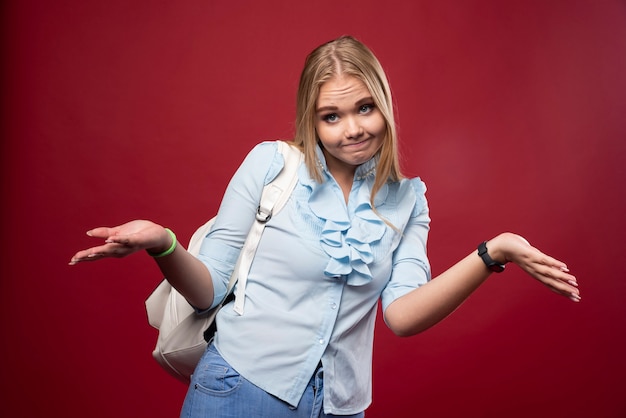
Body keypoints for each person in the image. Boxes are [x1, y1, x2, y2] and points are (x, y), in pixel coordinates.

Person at [69, 36, 580, 418]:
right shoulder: (271, 164)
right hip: (239, 391)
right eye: (330, 116)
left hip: (340, 407)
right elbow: (210, 290)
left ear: (383, 104)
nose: (353, 128)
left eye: (364, 108)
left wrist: (494, 251)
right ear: (310, 120)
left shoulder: (408, 199)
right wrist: (164, 244)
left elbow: (402, 316)